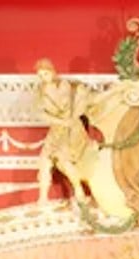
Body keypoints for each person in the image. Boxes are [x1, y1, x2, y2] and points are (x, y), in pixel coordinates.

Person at [35, 60, 93, 201]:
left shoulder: (70, 86)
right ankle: (42, 197)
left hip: (72, 129)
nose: (44, 78)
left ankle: (79, 191)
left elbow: (83, 104)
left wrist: (70, 118)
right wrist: (59, 121)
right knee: (44, 160)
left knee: (63, 161)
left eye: (46, 74)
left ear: (53, 71)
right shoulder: (41, 91)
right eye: (40, 75)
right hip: (56, 129)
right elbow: (40, 113)